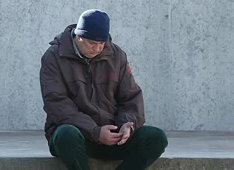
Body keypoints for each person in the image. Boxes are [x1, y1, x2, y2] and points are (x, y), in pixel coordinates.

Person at [39, 9, 168, 170]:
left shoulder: (117, 55)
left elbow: (131, 97)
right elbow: (56, 103)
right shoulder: (54, 57)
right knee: (66, 135)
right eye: (92, 43)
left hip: (113, 135)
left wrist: (127, 124)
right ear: (78, 36)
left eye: (102, 43)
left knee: (156, 138)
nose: (98, 48)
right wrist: (95, 132)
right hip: (79, 137)